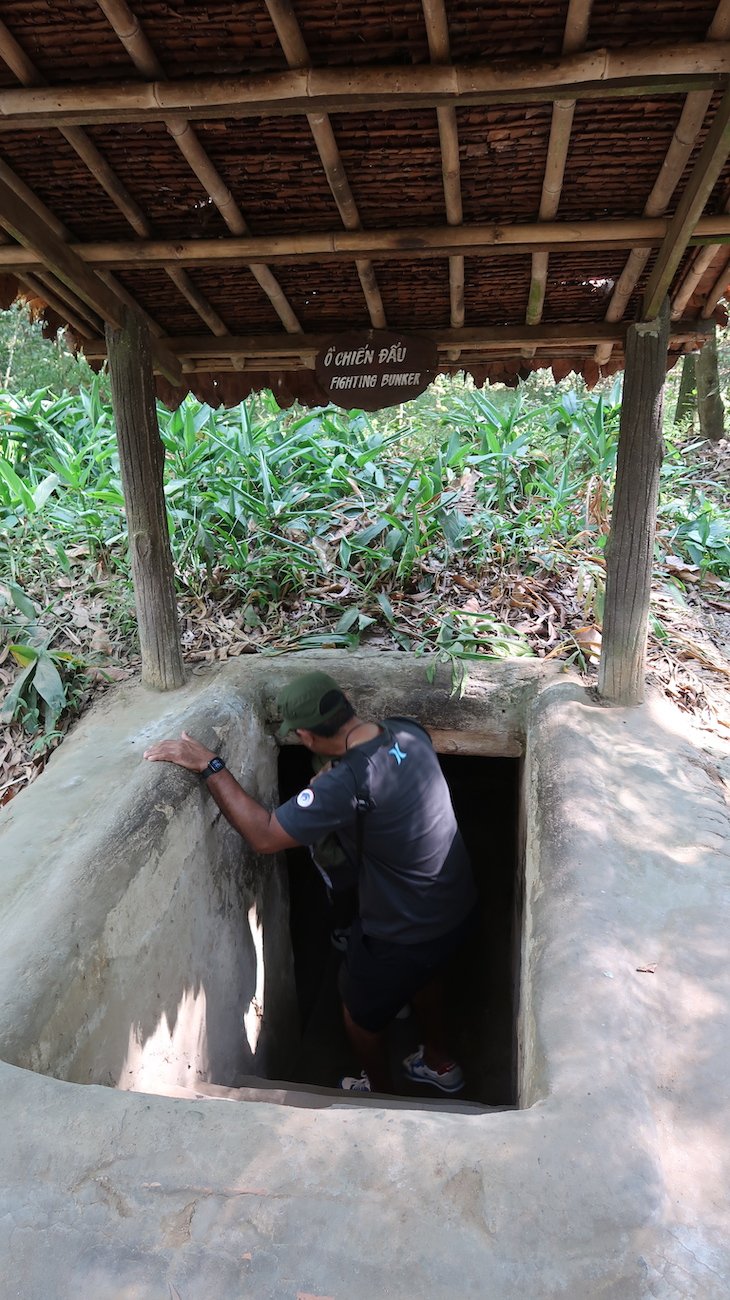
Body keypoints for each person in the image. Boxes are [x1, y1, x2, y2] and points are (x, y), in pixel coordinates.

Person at [144, 670, 477, 1095]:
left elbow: (265, 835)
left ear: (305, 736)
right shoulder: (406, 731)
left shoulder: (347, 783)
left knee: (358, 1015)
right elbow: (385, 783)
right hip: (455, 904)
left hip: (402, 930)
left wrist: (212, 766)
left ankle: (379, 1095)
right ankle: (440, 1062)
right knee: (430, 973)